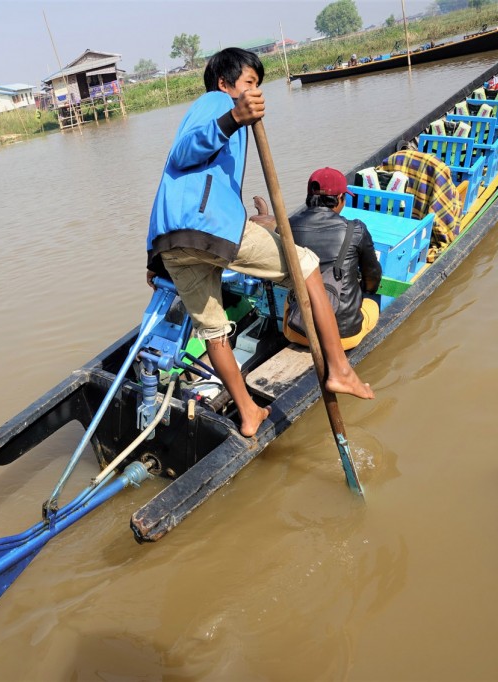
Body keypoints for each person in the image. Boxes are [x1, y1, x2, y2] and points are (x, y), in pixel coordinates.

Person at [145, 47, 374, 438]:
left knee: (213, 331)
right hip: (208, 227)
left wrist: (155, 263)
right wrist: (234, 116)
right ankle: (340, 369)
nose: (255, 91)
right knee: (307, 267)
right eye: (250, 83)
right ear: (224, 82)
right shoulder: (215, 103)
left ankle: (250, 413)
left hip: (172, 242)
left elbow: (181, 185)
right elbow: (182, 153)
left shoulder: (223, 119)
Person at [253, 168, 382, 350]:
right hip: (344, 337)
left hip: (298, 332)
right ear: (339, 199)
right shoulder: (356, 230)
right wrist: (365, 290)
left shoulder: (287, 227)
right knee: (372, 304)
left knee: (292, 298)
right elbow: (373, 277)